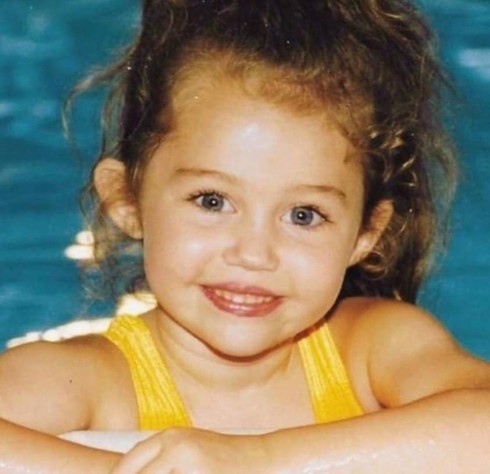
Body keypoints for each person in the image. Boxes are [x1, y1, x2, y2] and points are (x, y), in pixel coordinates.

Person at [1, 0, 489, 472]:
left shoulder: (369, 348)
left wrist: (257, 460)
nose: (254, 254)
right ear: (128, 201)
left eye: (303, 215)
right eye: (212, 201)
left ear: (366, 233)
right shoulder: (91, 380)